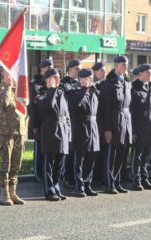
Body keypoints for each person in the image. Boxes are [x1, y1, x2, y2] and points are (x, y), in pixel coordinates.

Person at [99, 55, 132, 194]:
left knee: (122, 153)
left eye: (127, 64)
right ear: (116, 65)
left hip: (125, 120)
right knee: (111, 154)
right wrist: (107, 129)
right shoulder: (108, 83)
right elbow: (105, 108)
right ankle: (109, 183)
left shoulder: (126, 82)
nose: (126, 67)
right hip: (113, 120)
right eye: (123, 64)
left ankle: (117, 181)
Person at [0, 68, 26, 206]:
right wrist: (7, 86)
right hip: (5, 132)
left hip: (19, 132)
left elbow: (25, 108)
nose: (12, 75)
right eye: (8, 72)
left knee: (16, 164)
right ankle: (4, 193)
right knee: (5, 164)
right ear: (3, 73)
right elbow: (2, 104)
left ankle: (13, 192)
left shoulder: (20, 88)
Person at [37, 68, 70, 201]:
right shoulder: (42, 94)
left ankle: (56, 187)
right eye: (53, 78)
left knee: (59, 163)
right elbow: (48, 106)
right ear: (47, 80)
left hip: (62, 130)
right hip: (50, 129)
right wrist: (51, 89)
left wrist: (69, 132)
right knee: (49, 163)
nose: (57, 80)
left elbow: (66, 115)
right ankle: (49, 189)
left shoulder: (62, 93)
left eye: (58, 77)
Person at [68, 69, 100, 197]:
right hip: (80, 127)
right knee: (79, 159)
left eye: (91, 78)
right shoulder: (74, 92)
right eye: (87, 78)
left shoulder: (94, 92)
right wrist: (83, 89)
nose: (90, 81)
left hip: (93, 127)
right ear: (80, 79)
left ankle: (87, 184)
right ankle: (79, 186)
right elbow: (76, 105)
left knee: (91, 158)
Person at [130, 64, 151, 191]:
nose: (150, 74)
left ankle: (144, 178)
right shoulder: (133, 88)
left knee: (146, 154)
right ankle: (136, 180)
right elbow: (132, 112)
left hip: (150, 125)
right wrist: (134, 131)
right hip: (139, 124)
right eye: (147, 72)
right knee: (137, 155)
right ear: (140, 74)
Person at [28, 59, 52, 183]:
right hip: (39, 121)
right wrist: (34, 124)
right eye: (46, 68)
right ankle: (38, 173)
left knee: (49, 149)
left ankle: (46, 173)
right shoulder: (35, 83)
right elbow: (32, 106)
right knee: (39, 149)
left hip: (50, 121)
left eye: (50, 68)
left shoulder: (52, 81)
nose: (49, 70)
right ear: (41, 70)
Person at [59, 59, 80, 187]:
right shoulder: (63, 84)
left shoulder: (79, 83)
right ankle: (67, 177)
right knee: (69, 150)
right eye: (77, 68)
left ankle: (75, 176)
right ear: (70, 69)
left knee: (76, 150)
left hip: (78, 120)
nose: (79, 71)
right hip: (68, 120)